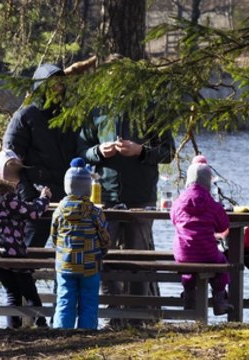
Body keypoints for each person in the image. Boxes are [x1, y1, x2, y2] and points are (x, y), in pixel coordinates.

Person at [77, 105, 175, 327]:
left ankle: (137, 315)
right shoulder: (96, 109)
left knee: (139, 257)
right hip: (104, 197)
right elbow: (81, 149)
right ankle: (113, 315)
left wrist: (141, 151)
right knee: (104, 256)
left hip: (141, 197)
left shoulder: (151, 107)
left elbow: (168, 152)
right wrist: (98, 152)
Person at [3, 63, 79, 247]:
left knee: (68, 256)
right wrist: (28, 197)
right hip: (35, 201)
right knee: (28, 254)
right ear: (41, 86)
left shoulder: (67, 116)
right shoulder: (25, 116)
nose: (57, 89)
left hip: (65, 200)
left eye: (60, 84)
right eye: (52, 84)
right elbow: (9, 161)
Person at [0, 149, 52, 328]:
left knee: (12, 293)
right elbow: (31, 213)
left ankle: (13, 329)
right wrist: (44, 199)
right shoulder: (7, 196)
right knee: (30, 293)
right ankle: (42, 327)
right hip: (10, 253)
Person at [50, 158, 110, 329]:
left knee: (65, 300)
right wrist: (102, 252)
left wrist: (61, 251)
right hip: (90, 264)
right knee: (89, 301)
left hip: (66, 264)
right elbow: (104, 238)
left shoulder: (59, 211)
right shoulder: (95, 212)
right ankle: (87, 332)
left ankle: (61, 333)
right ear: (88, 188)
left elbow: (54, 237)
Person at [170, 155, 234, 316]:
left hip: (182, 252)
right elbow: (224, 226)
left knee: (188, 264)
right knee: (221, 263)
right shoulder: (213, 205)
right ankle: (219, 300)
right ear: (208, 182)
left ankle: (189, 296)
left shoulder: (177, 202)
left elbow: (173, 220)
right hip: (207, 252)